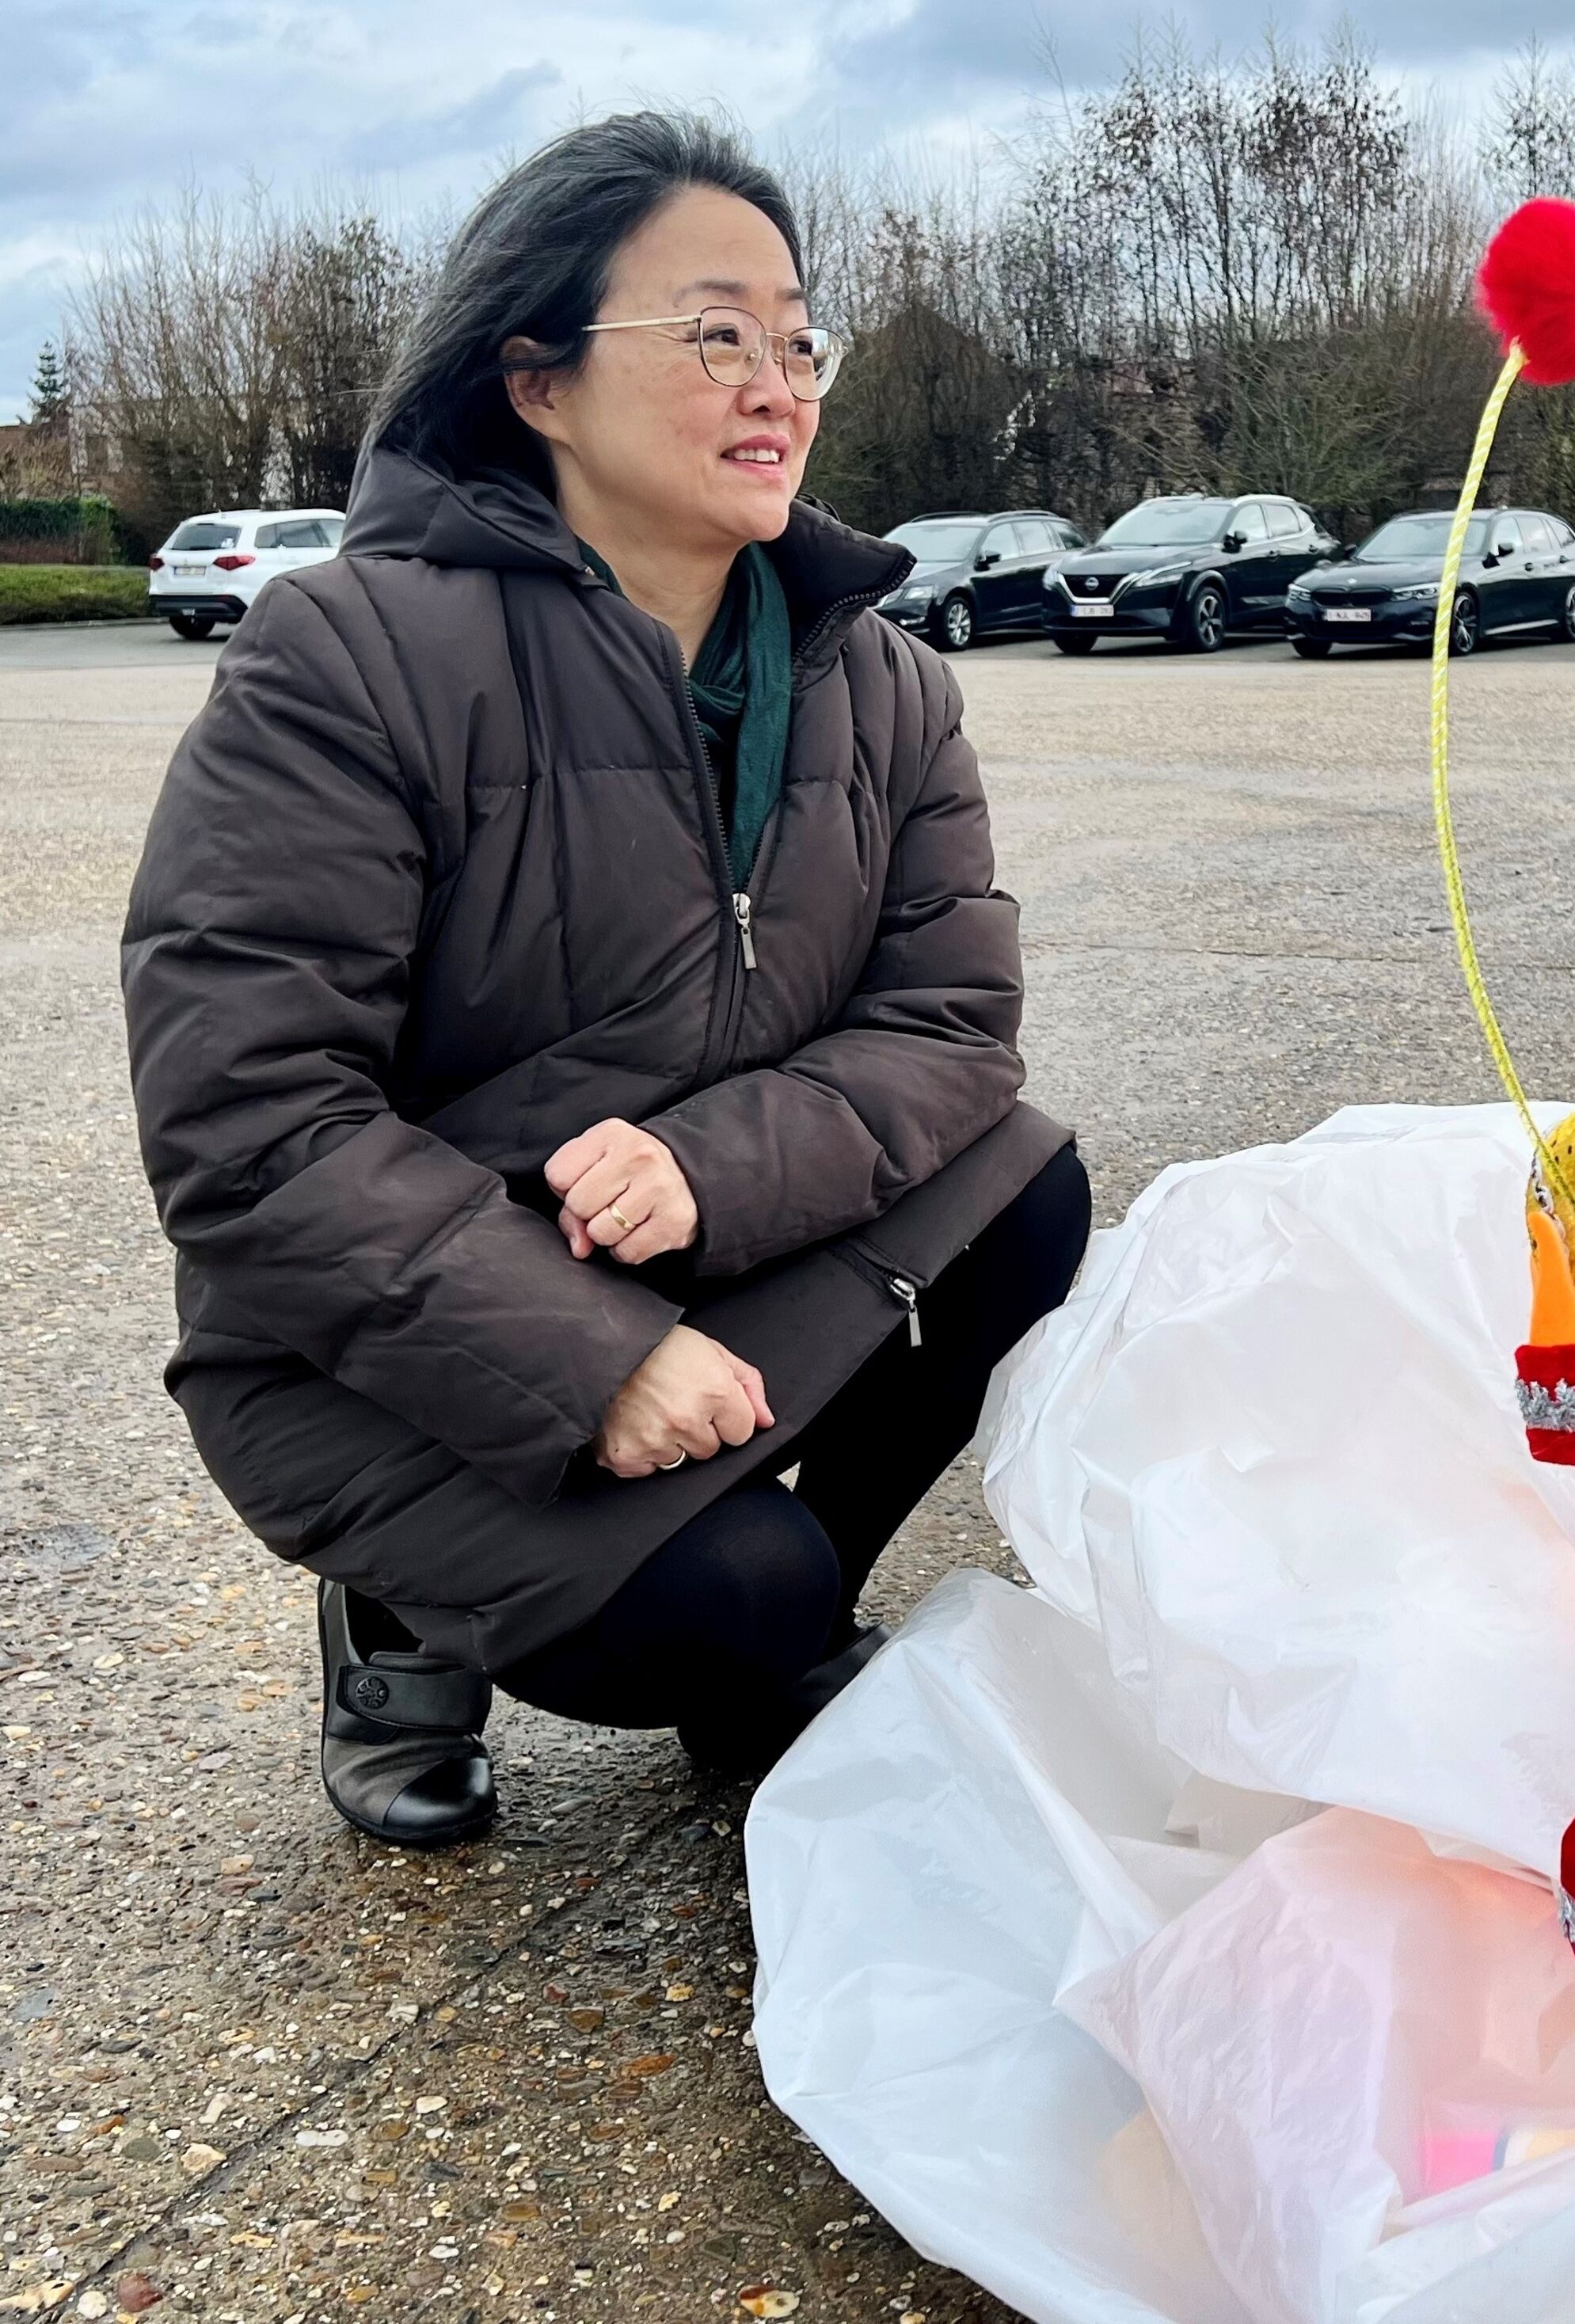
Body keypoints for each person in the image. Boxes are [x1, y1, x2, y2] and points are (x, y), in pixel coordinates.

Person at [119, 112, 1087, 1849]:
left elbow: (951, 1029)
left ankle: (765, 1626)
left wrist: (710, 1167)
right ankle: (404, 1620)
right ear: (538, 382)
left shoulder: (882, 683)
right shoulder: (347, 659)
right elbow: (248, 1119)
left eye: (798, 340)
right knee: (736, 1590)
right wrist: (588, 1363)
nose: (776, 387)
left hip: (702, 1250)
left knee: (1029, 1197)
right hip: (383, 1342)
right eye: (714, 334)